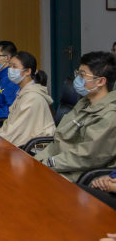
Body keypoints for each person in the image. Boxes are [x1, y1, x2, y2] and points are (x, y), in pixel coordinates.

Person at [34, 51, 116, 182]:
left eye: (82, 75)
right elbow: (59, 141)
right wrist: (35, 161)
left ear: (101, 81)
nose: (77, 79)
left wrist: (46, 163)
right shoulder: (84, 103)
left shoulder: (110, 116)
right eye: (77, 73)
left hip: (79, 174)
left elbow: (86, 157)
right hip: (60, 164)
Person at [0, 52, 55, 146]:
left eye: (14, 66)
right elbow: (10, 124)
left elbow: (16, 132)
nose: (10, 69)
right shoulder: (23, 92)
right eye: (10, 66)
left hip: (32, 148)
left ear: (27, 71)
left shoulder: (32, 97)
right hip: (22, 142)